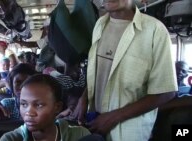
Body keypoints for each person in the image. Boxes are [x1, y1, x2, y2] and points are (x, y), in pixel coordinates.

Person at [73, 0, 178, 141]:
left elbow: (166, 91)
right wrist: (84, 98)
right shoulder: (99, 25)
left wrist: (113, 117)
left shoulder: (154, 30)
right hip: (95, 122)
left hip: (129, 132)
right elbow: (98, 72)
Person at [0, 74, 91, 141]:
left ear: (57, 107)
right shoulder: (11, 139)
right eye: (24, 104)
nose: (29, 113)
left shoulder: (80, 135)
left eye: (39, 105)